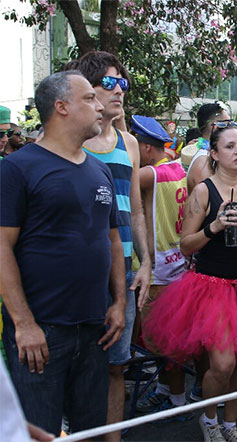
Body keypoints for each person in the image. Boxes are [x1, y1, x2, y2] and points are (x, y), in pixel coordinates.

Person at [0, 70, 126, 435]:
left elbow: (113, 240)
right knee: (40, 432)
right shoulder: (17, 169)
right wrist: (24, 324)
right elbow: (2, 247)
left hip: (94, 329)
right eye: (88, 98)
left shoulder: (100, 170)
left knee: (90, 430)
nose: (99, 104)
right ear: (61, 107)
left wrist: (118, 303)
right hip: (40, 334)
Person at [142, 120, 237, 442]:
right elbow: (185, 244)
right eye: (230, 146)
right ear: (215, 154)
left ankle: (231, 426)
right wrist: (213, 228)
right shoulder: (204, 191)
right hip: (211, 287)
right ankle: (208, 418)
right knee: (223, 363)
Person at [70, 50, 152, 441]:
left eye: (123, 82)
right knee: (78, 365)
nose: (119, 90)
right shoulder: (69, 140)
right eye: (110, 82)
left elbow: (136, 210)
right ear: (87, 90)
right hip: (80, 271)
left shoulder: (129, 143)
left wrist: (147, 263)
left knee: (117, 365)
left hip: (125, 270)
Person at [129, 115, 190, 418]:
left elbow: (119, 173)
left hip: (157, 271)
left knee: (164, 343)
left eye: (134, 145)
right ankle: (166, 391)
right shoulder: (176, 167)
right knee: (164, 340)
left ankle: (176, 401)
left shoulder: (149, 175)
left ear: (144, 147)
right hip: (175, 264)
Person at [187, 103, 233, 193]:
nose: (230, 128)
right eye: (227, 124)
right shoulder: (204, 161)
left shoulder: (210, 155)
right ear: (214, 127)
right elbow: (213, 200)